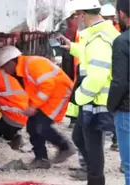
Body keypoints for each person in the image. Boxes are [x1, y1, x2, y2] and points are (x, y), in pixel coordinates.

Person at [59, 0, 120, 184]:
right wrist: (73, 47)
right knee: (81, 138)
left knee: (92, 145)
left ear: (83, 14)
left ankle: (95, 179)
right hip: (95, 100)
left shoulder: (98, 38)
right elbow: (91, 54)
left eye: (76, 16)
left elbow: (98, 75)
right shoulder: (99, 34)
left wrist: (79, 97)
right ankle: (95, 173)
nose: (75, 20)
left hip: (96, 101)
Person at [0, 45, 75, 169]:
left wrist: (34, 106)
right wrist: (31, 105)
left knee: (42, 126)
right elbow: (35, 89)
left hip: (60, 93)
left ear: (11, 62)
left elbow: (47, 85)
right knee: (32, 127)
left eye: (4, 67)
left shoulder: (32, 65)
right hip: (50, 94)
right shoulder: (21, 69)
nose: (4, 71)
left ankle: (65, 147)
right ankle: (41, 158)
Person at [107, 0, 130, 184]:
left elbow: (119, 82)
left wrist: (111, 106)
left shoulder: (122, 41)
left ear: (122, 13)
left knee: (129, 166)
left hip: (126, 110)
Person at [56, 2, 81, 129]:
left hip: (77, 57)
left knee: (75, 86)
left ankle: (74, 118)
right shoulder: (67, 21)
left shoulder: (84, 26)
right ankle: (72, 117)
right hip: (70, 53)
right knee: (69, 84)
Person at [101, 3, 122, 151]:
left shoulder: (117, 34)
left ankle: (117, 141)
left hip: (111, 78)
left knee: (113, 114)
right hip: (111, 76)